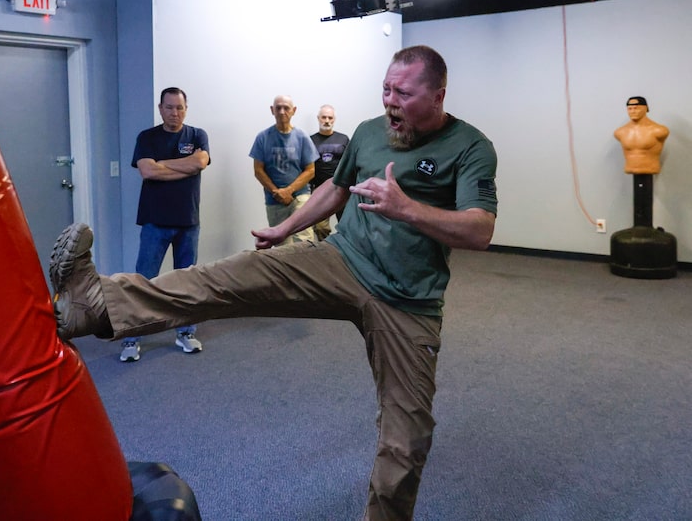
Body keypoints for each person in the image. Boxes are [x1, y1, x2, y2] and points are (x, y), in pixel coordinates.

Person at [50, 45, 497, 520]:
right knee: (227, 278)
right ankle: (94, 305)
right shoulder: (370, 132)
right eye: (386, 88)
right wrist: (285, 228)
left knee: (407, 439)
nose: (390, 101)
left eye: (403, 93)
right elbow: (334, 187)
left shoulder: (469, 147)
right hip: (343, 261)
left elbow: (480, 229)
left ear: (438, 95)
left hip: (409, 301)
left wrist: (405, 207)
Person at [120, 87, 210, 362]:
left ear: (186, 108)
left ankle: (185, 333)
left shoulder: (197, 135)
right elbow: (146, 170)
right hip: (155, 221)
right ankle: (131, 338)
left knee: (186, 281)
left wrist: (163, 167)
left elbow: (201, 162)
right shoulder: (147, 137)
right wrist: (184, 166)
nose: (175, 112)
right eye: (169, 107)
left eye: (179, 107)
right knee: (143, 281)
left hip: (188, 221)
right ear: (160, 108)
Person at [249, 95, 319, 245]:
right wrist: (277, 192)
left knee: (304, 241)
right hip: (274, 200)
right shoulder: (263, 137)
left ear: (293, 111)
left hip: (300, 197)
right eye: (278, 108)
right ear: (272, 110)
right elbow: (258, 170)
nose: (282, 112)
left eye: (286, 108)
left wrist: (288, 190)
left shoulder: (302, 137)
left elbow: (310, 170)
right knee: (281, 245)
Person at [309, 104, 350, 241]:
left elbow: (351, 164)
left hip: (341, 189)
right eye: (324, 117)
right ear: (318, 118)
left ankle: (344, 253)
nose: (327, 120)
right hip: (320, 191)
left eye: (330, 117)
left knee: (346, 226)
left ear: (334, 119)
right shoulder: (310, 141)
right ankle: (324, 252)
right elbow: (306, 167)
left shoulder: (344, 139)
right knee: (320, 228)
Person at [613, 96, 669, 175]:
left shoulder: (659, 131)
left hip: (650, 169)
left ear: (645, 108)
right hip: (629, 168)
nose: (633, 111)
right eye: (630, 109)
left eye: (636, 108)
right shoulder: (620, 132)